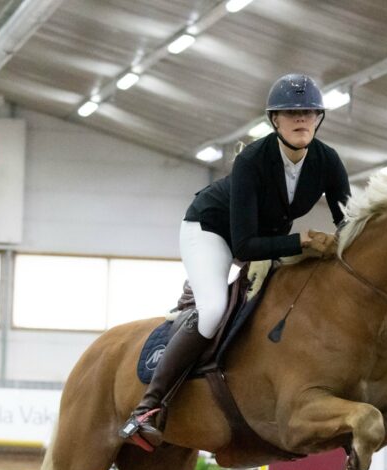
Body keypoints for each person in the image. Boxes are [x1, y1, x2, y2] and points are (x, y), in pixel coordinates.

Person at [120, 73, 352, 445]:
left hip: (265, 239)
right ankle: (148, 407)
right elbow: (244, 248)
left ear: (318, 118)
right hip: (211, 230)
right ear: (275, 120)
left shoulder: (328, 161)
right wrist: (301, 242)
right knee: (213, 310)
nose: (301, 119)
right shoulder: (252, 160)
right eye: (291, 113)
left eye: (309, 112)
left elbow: (348, 224)